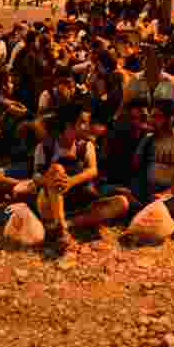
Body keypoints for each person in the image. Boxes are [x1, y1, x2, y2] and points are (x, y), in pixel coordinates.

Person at [32, 104, 128, 252]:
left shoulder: (85, 146)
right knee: (57, 169)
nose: (87, 127)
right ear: (69, 125)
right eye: (82, 123)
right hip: (50, 204)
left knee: (122, 203)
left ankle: (65, 224)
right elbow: (36, 176)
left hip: (79, 202)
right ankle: (61, 229)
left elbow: (93, 170)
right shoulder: (45, 146)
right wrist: (49, 179)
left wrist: (71, 182)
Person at [132, 99, 174, 221]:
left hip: (172, 193)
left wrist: (166, 193)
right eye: (151, 116)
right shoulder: (148, 139)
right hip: (148, 189)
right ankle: (150, 211)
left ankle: (144, 210)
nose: (151, 120)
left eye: (156, 117)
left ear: (171, 118)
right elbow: (135, 166)